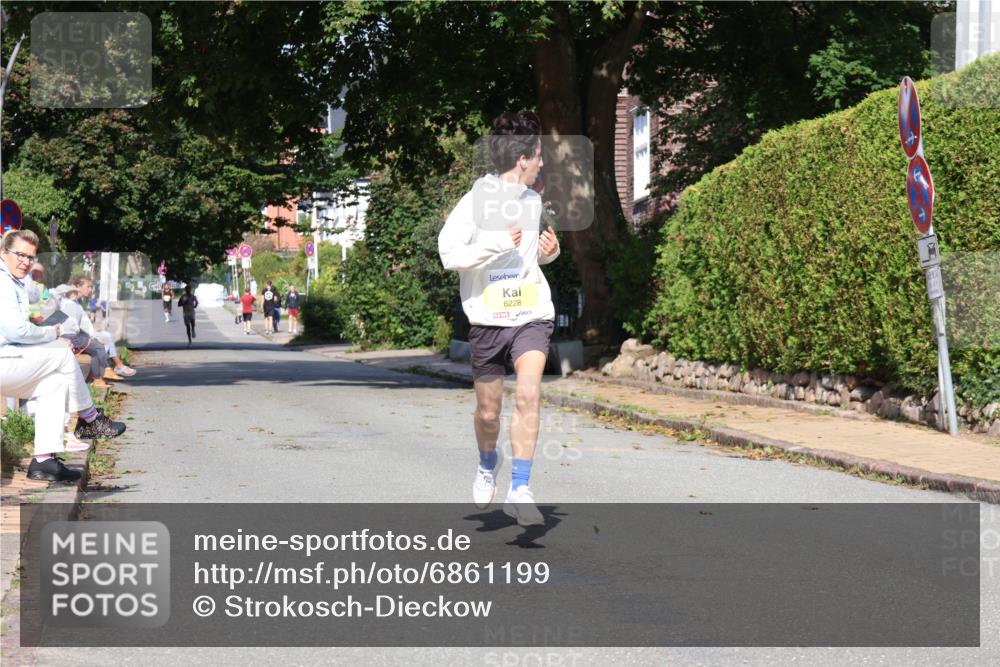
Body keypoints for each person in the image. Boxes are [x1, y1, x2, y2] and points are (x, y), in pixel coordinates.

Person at [438, 111, 560, 526]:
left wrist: (548, 252)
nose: (543, 163)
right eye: (539, 155)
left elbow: (527, 260)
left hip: (531, 314)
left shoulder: (534, 200)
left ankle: (521, 487)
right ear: (522, 158)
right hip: (489, 317)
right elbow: (449, 254)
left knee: (528, 396)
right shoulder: (476, 201)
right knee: (488, 412)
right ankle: (488, 462)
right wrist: (493, 242)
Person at [0, 230, 126, 482]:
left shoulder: (14, 280)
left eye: (31, 257)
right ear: (4, 253)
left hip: (10, 360)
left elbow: (33, 307)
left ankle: (44, 461)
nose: (26, 262)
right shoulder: (2, 282)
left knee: (55, 385)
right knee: (59, 351)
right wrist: (50, 333)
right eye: (20, 255)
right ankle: (90, 418)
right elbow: (16, 330)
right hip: (5, 361)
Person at [66, 276, 136, 377]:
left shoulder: (78, 302)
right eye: (88, 287)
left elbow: (83, 323)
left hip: (82, 335)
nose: (90, 290)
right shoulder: (70, 302)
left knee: (105, 337)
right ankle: (109, 369)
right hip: (75, 338)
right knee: (104, 339)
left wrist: (93, 331)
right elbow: (72, 325)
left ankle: (109, 369)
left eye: (91, 287)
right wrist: (93, 336)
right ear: (78, 287)